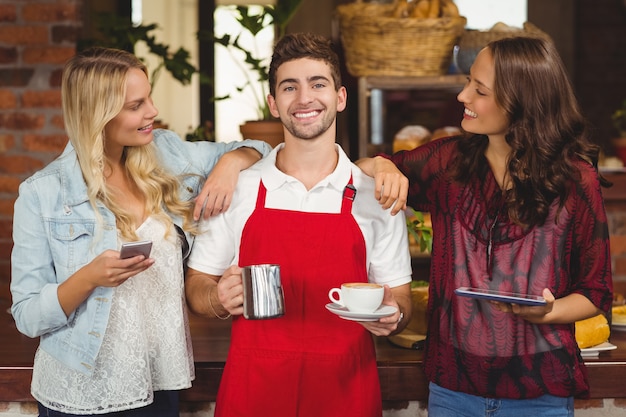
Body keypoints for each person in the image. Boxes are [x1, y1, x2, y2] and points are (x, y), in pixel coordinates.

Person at [357, 36, 613, 416]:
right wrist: (381, 165)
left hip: (541, 394)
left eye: (479, 89)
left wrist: (549, 312)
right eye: (467, 83)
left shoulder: (576, 180)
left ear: (520, 102)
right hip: (453, 390)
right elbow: (357, 172)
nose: (462, 96)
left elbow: (596, 293)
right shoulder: (448, 162)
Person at [10, 47, 271, 417]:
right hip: (80, 393)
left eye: (148, 97)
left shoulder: (166, 152)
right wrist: (88, 278)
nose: (153, 111)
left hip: (157, 382)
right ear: (98, 115)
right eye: (136, 105)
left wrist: (231, 162)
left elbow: (262, 148)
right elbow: (28, 316)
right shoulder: (43, 194)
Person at [184, 32, 412, 417]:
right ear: (274, 104)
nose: (304, 98)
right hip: (254, 391)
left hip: (346, 392)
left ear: (340, 97)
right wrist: (218, 299)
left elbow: (401, 301)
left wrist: (394, 317)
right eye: (290, 87)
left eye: (317, 84)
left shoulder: (377, 193)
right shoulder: (237, 188)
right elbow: (197, 288)